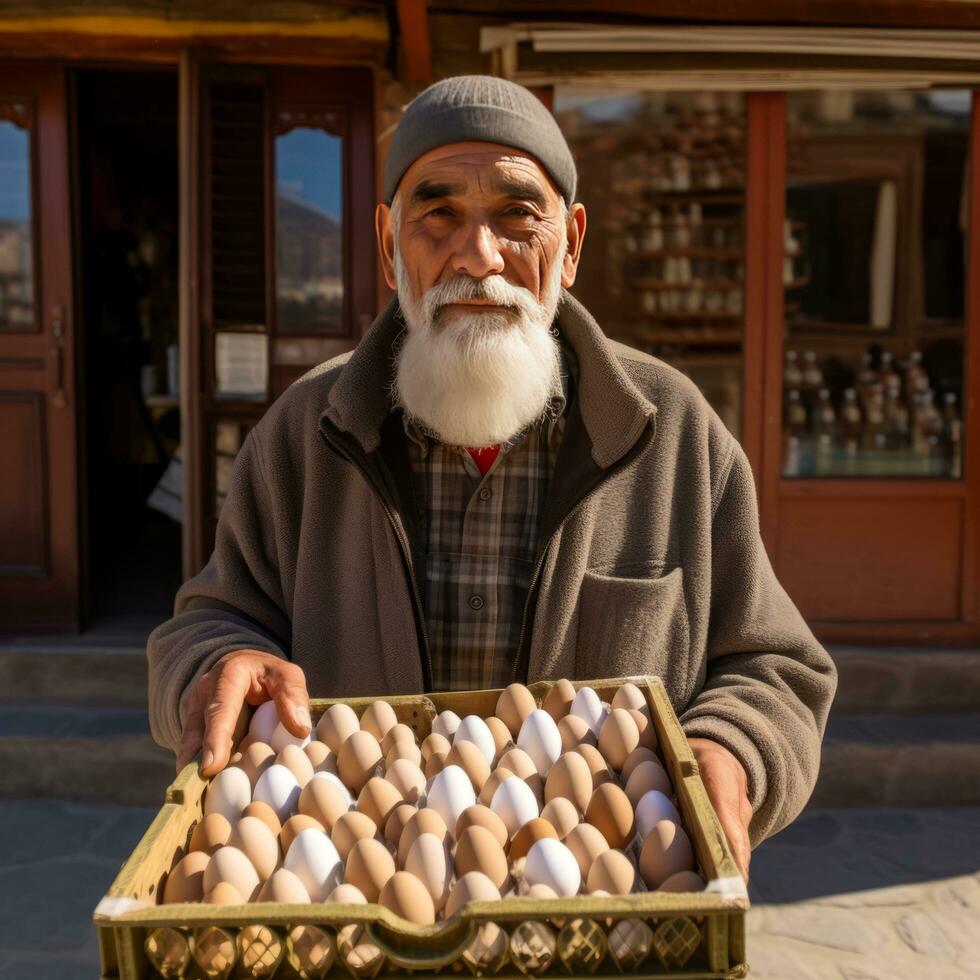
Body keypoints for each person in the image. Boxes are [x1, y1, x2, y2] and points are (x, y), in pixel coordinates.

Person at [148, 75, 837, 882]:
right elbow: (210, 621)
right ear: (387, 244)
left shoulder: (673, 434)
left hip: (599, 927)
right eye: (437, 213)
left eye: (517, 215)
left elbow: (774, 668)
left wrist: (731, 750)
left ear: (571, 244)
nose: (478, 256)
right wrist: (219, 663)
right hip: (355, 922)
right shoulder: (307, 434)